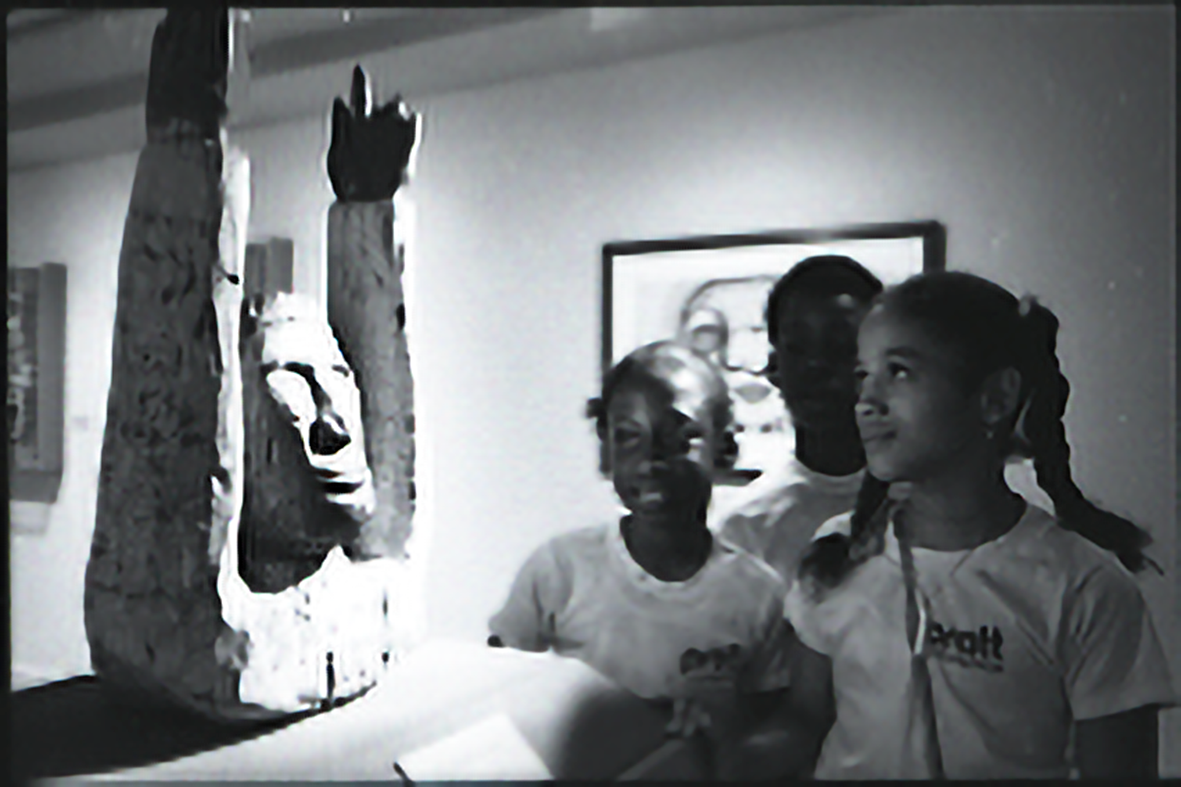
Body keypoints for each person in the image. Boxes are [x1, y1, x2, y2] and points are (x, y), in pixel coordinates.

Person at [781, 270, 1175, 779]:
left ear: (995, 397)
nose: (866, 400)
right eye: (863, 375)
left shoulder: (1083, 585)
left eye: (898, 371)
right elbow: (802, 723)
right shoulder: (839, 550)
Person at [487, 341, 793, 777]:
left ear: (723, 448)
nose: (650, 460)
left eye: (678, 436)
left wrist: (727, 718)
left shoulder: (758, 595)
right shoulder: (560, 569)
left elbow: (771, 740)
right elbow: (495, 694)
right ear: (606, 449)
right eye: (628, 436)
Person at [714, 256, 883, 584]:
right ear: (774, 367)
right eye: (798, 347)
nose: (816, 366)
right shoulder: (743, 528)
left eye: (840, 346)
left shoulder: (930, 510)